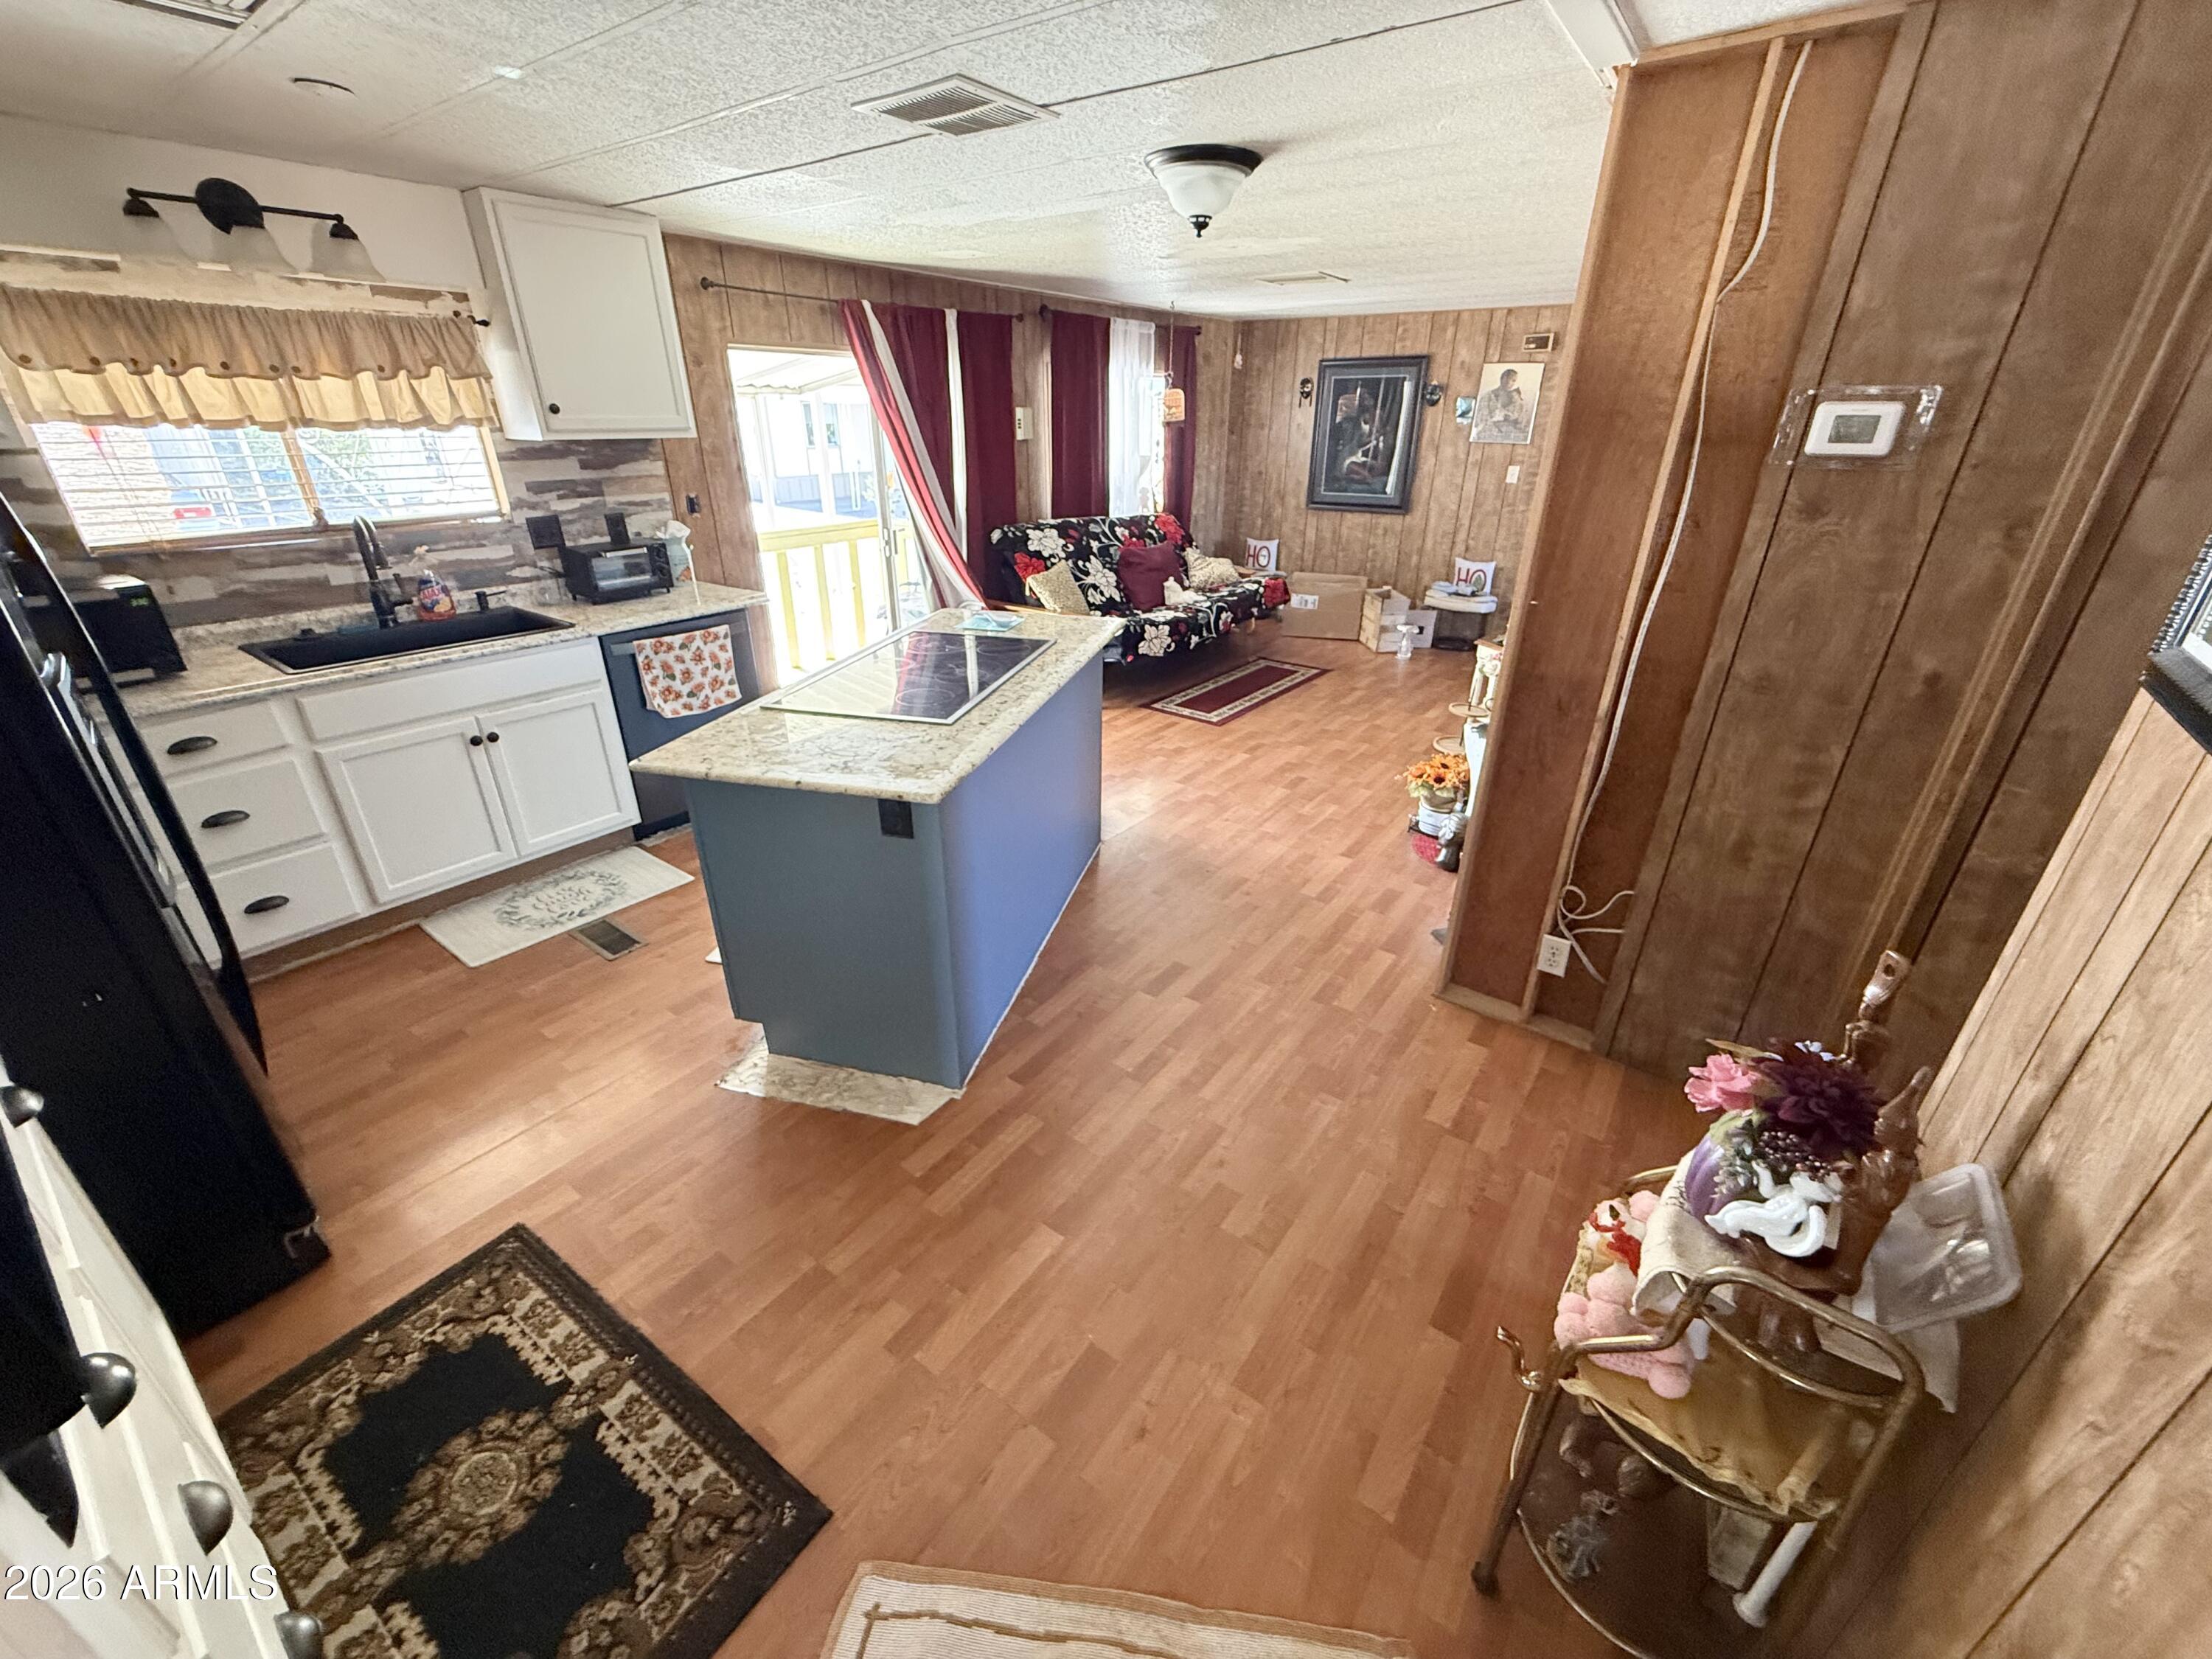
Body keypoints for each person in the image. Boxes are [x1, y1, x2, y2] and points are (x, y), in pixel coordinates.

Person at [1474, 367, 1531, 443]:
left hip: (1510, 431)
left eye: (1513, 380)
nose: (1509, 382)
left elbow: (1521, 418)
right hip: (1491, 430)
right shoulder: (1488, 396)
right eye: (1507, 378)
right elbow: (1481, 418)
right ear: (1501, 379)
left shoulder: (1516, 398)